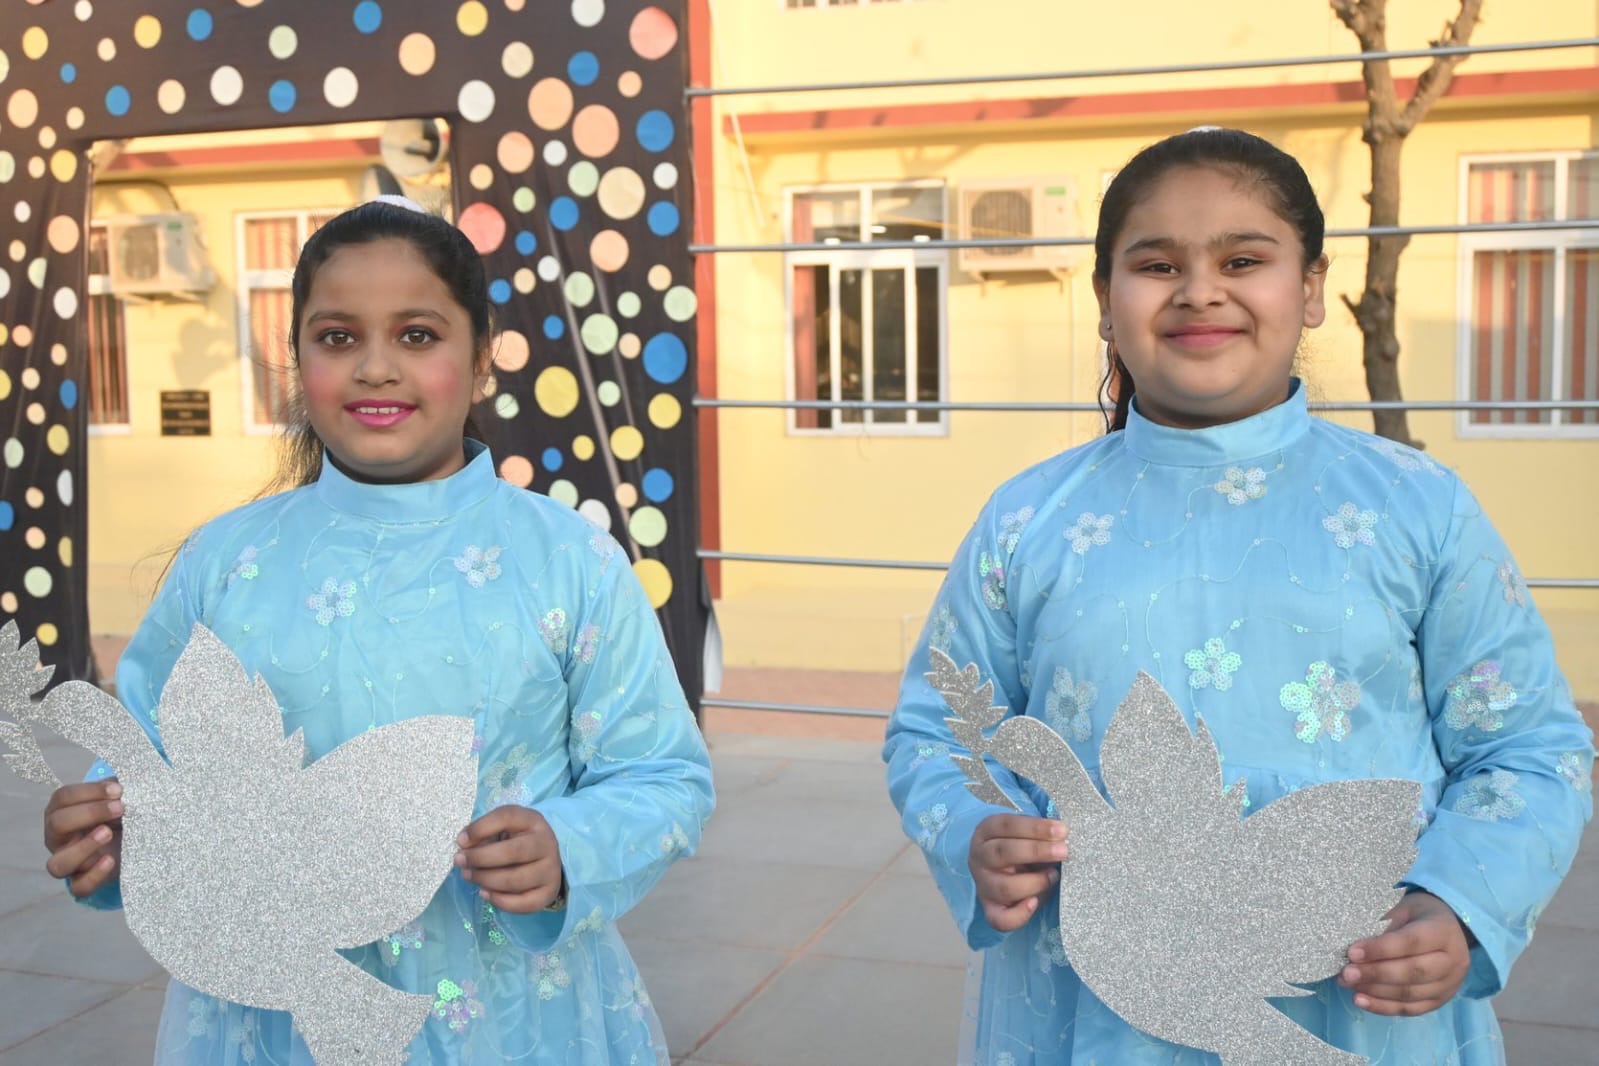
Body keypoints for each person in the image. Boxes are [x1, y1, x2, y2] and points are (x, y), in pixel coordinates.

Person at [883, 128, 1593, 1064]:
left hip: (1356, 1006)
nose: (1198, 291)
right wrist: (976, 831)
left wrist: (1462, 903)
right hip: (1080, 1012)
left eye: (1242, 260)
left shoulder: (1416, 508)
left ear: (1309, 289)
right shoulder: (1028, 519)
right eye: (1156, 265)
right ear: (1104, 301)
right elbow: (938, 728)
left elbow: (1527, 747)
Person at [41, 197, 715, 1064]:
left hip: (511, 1018)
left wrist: (567, 851)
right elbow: (144, 759)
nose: (374, 367)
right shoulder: (227, 561)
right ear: (298, 359)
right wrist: (112, 831)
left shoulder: (568, 561)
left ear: (481, 360)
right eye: (337, 337)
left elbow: (662, 776)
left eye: (417, 335)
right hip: (266, 1024)